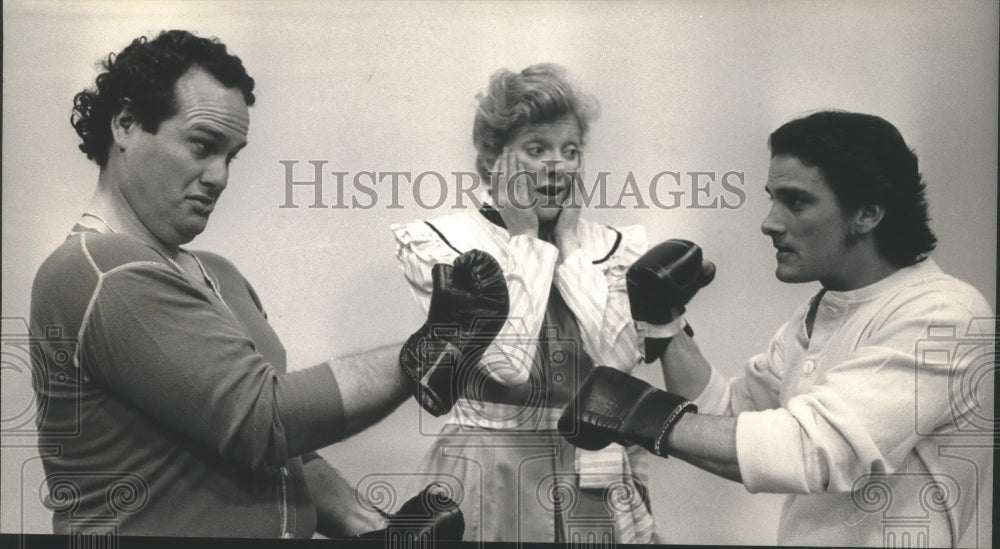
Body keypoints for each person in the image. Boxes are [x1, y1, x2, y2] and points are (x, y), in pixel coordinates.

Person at [29, 29, 505, 539]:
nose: (219, 177)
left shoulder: (218, 274)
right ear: (125, 123)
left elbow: (283, 450)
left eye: (231, 156)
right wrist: (428, 348)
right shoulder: (99, 272)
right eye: (202, 146)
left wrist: (373, 528)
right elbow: (264, 418)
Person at [560, 110, 995, 547]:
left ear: (867, 213)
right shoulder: (819, 313)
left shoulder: (944, 314)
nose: (769, 221)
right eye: (772, 198)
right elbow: (728, 421)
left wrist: (638, 412)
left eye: (796, 201)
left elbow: (814, 450)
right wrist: (666, 322)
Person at [390, 64, 665, 543]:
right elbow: (506, 364)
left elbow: (616, 365)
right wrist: (526, 240)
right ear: (494, 160)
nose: (557, 166)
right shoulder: (440, 243)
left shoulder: (614, 246)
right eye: (536, 149)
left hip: (592, 479)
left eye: (570, 151)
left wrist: (572, 245)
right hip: (486, 472)